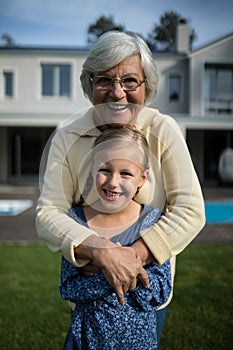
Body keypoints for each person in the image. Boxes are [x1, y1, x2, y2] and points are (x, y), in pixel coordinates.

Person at [36, 30, 205, 342]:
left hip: (144, 290)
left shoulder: (163, 131)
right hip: (88, 298)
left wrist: (130, 258)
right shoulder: (67, 136)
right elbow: (48, 214)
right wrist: (101, 252)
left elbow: (190, 210)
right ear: (90, 85)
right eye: (104, 80)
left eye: (130, 81)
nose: (117, 92)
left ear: (146, 87)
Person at [60, 127, 172, 350]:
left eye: (126, 174)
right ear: (92, 169)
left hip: (138, 344)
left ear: (142, 178)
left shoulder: (152, 222)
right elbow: (69, 288)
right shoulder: (76, 221)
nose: (113, 182)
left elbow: (160, 291)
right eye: (105, 170)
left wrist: (102, 270)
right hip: (85, 342)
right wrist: (123, 270)